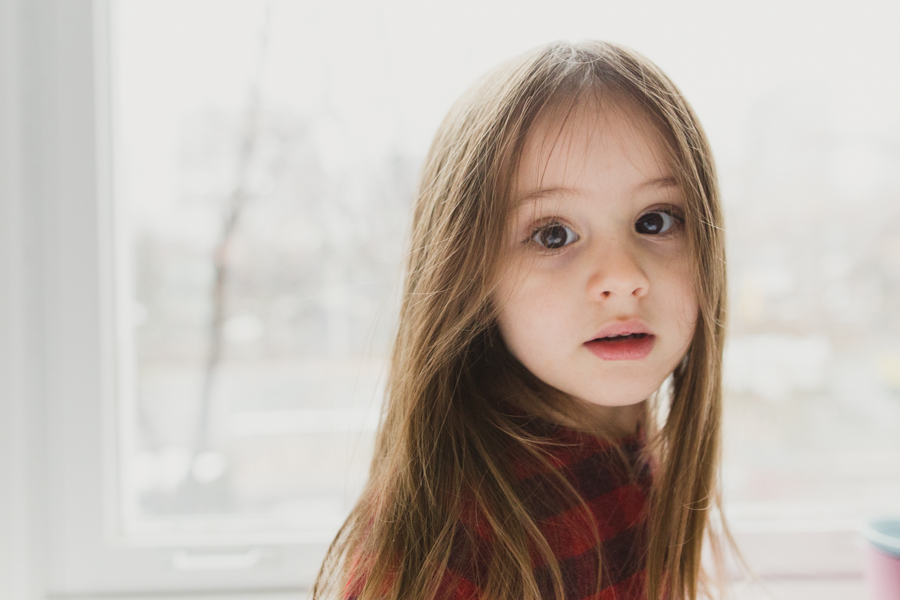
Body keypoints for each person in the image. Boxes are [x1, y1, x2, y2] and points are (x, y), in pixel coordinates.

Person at [312, 40, 748, 600]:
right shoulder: (468, 531)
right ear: (469, 272)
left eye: (656, 220)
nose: (622, 276)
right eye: (553, 235)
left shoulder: (622, 444)